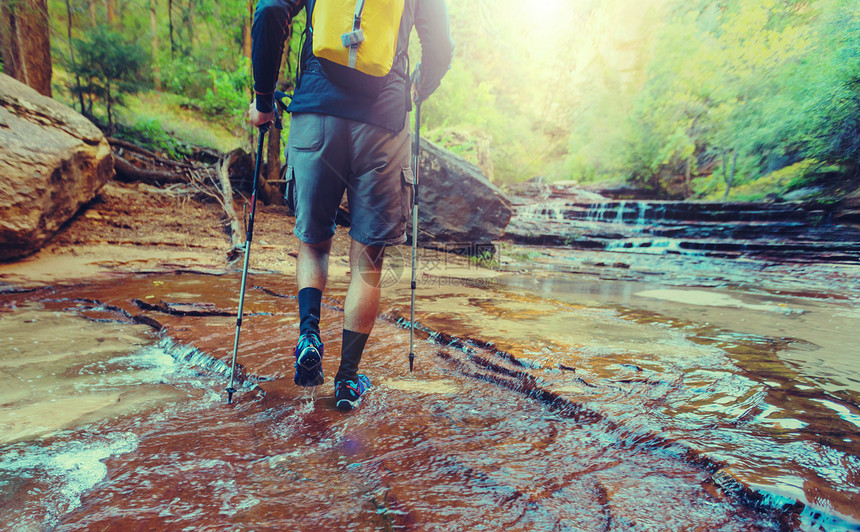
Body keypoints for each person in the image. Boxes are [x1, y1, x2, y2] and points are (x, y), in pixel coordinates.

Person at [248, 0, 453, 411]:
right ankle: (346, 381)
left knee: (313, 242)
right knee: (368, 262)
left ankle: (309, 334)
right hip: (383, 122)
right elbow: (442, 47)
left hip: (315, 112)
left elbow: (270, 10)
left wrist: (264, 99)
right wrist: (418, 87)